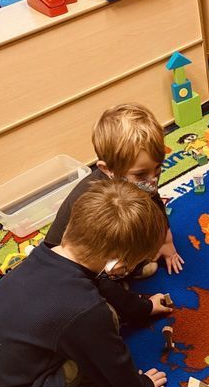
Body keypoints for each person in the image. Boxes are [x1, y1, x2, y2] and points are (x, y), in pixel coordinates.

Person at [0, 180, 169, 387]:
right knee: (105, 325)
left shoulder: (42, 258)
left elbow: (97, 287)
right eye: (133, 265)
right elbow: (114, 365)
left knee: (97, 318)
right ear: (117, 264)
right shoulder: (86, 310)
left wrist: (141, 307)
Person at [45, 103, 183, 327]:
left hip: (108, 256)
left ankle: (124, 271)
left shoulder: (141, 180)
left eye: (158, 170)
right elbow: (95, 269)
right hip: (76, 268)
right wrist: (143, 308)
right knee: (105, 317)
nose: (153, 181)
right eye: (141, 174)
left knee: (146, 257)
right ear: (107, 169)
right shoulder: (100, 208)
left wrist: (166, 242)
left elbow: (154, 200)